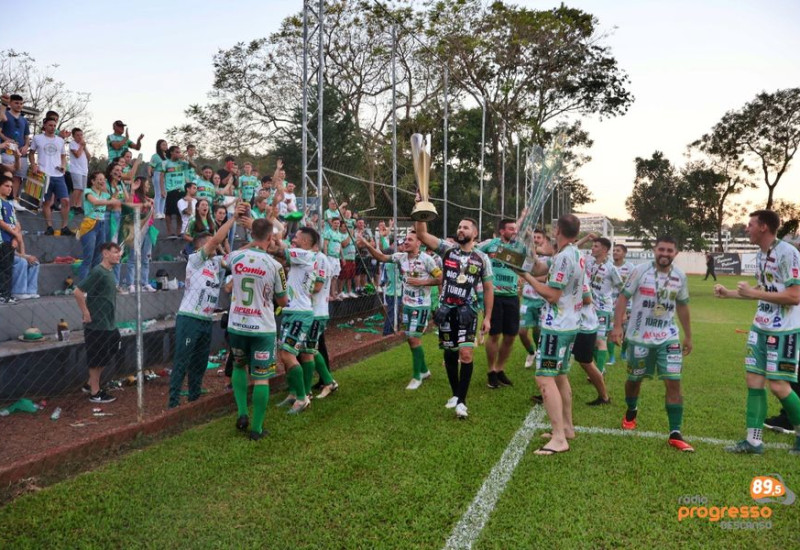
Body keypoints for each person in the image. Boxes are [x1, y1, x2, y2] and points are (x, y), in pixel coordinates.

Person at [714, 210, 800, 455]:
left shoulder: (788, 253)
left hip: (784, 329)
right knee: (753, 381)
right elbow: (763, 288)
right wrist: (729, 293)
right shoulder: (761, 254)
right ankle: (753, 441)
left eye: (750, 224)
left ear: (763, 227)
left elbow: (794, 297)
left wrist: (754, 294)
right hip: (759, 327)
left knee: (779, 386)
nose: (747, 228)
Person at [610, 235, 694, 453]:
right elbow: (623, 298)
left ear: (676, 253)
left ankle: (675, 432)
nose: (665, 254)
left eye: (669, 250)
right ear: (654, 250)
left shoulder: (680, 276)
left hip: (668, 336)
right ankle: (631, 410)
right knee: (634, 379)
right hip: (639, 336)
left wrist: (688, 335)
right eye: (661, 250)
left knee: (674, 382)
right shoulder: (640, 271)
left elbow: (682, 306)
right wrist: (617, 326)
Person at [517, 214, 583, 455]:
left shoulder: (565, 257)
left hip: (557, 326)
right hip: (569, 324)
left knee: (544, 379)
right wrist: (528, 254)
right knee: (560, 377)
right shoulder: (572, 253)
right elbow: (541, 267)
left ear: (557, 230)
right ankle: (566, 428)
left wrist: (526, 278)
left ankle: (558, 438)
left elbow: (552, 295)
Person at [415, 216, 493, 419]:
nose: (460, 230)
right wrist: (420, 212)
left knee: (466, 354)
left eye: (465, 227)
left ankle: (461, 401)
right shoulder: (447, 249)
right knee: (450, 354)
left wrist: (487, 317)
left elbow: (488, 288)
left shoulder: (482, 258)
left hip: (468, 311)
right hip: (446, 311)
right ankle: (456, 394)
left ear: (474, 233)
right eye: (459, 226)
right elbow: (422, 234)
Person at [168, 207, 242, 409]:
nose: (215, 245)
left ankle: (194, 397)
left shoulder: (215, 263)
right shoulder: (195, 260)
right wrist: (233, 218)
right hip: (190, 317)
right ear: (203, 245)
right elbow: (217, 240)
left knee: (200, 362)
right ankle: (173, 402)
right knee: (182, 360)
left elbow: (237, 255)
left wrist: (259, 241)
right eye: (211, 241)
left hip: (206, 319)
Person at [227, 217, 288, 439]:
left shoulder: (236, 256)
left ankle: (242, 412)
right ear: (271, 238)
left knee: (238, 366)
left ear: (251, 235)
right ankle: (256, 429)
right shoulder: (275, 265)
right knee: (261, 377)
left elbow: (227, 262)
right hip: (262, 328)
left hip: (237, 325)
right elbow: (283, 301)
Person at [359, 230, 443, 389]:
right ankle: (424, 370)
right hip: (407, 305)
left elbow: (440, 278)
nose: (406, 242)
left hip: (421, 306)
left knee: (413, 338)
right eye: (405, 239)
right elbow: (382, 257)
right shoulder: (400, 257)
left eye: (410, 239)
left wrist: (422, 282)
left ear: (419, 243)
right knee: (411, 339)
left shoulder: (427, 260)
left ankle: (417, 377)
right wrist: (368, 245)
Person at [274, 227, 324, 414]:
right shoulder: (303, 257)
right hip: (294, 310)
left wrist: (259, 228)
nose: (292, 239)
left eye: (295, 237)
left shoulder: (304, 254)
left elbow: (277, 251)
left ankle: (302, 397)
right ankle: (296, 393)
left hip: (300, 313)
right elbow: (281, 255)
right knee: (297, 353)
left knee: (287, 354)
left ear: (304, 241)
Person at [478, 219, 526, 389]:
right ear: (501, 231)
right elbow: (474, 254)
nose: (514, 231)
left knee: (511, 335)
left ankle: (500, 369)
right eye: (511, 229)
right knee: (494, 335)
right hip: (494, 296)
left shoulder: (520, 247)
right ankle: (491, 371)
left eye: (515, 229)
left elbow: (534, 257)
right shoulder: (490, 245)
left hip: (512, 296)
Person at [74, 242, 123, 403]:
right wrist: (86, 312)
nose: (119, 255)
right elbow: (78, 291)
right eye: (115, 252)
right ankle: (95, 393)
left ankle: (90, 384)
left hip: (109, 323)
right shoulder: (98, 272)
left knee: (111, 349)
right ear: (105, 253)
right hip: (97, 324)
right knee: (96, 359)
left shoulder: (109, 272)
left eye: (119, 252)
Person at [585, 237, 623, 378]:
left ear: (605, 250)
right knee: (590, 342)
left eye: (596, 246)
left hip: (603, 309)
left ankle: (598, 373)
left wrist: (621, 310)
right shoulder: (589, 263)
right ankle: (600, 367)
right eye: (592, 245)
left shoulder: (611, 268)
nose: (592, 248)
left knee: (600, 340)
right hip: (588, 308)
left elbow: (622, 289)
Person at [29, 118, 72, 236]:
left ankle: (64, 227)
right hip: (44, 174)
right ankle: (49, 226)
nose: (53, 127)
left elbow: (63, 156)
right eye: (50, 125)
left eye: (54, 125)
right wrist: (33, 165)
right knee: (47, 202)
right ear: (45, 126)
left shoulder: (60, 140)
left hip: (58, 175)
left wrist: (63, 166)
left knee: (66, 200)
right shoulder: (37, 138)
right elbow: (31, 153)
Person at [307, 246, 339, 399]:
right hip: (311, 311)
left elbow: (318, 287)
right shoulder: (311, 258)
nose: (294, 244)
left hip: (316, 312)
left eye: (297, 240)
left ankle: (326, 381)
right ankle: (323, 380)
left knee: (311, 348)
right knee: (314, 347)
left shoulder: (319, 259)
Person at [518, 228, 553, 369]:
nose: (536, 239)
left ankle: (540, 352)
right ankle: (531, 352)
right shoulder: (526, 256)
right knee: (521, 331)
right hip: (527, 299)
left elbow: (547, 278)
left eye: (539, 237)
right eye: (534, 237)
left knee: (538, 330)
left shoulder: (549, 258)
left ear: (544, 239)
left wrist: (529, 278)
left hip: (542, 300)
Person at [79, 172, 120, 282]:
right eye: (100, 179)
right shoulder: (88, 192)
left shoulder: (104, 195)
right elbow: (96, 202)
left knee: (98, 257)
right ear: (92, 181)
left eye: (104, 179)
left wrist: (116, 191)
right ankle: (83, 286)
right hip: (90, 225)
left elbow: (111, 202)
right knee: (88, 257)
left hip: (101, 225)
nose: (103, 181)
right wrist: (111, 199)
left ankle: (94, 284)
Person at [123, 177, 157, 292]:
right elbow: (129, 206)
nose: (148, 187)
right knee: (133, 257)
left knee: (146, 257)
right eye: (146, 184)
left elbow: (153, 215)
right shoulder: (135, 197)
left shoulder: (148, 198)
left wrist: (152, 205)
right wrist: (132, 191)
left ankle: (145, 282)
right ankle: (130, 283)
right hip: (136, 229)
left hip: (148, 229)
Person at [0, 94, 31, 209]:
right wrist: (7, 140)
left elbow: (27, 136)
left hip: (21, 153)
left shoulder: (24, 120)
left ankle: (13, 200)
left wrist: (26, 146)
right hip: (7, 151)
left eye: (21, 103)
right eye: (16, 103)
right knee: (7, 175)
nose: (19, 105)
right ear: (10, 103)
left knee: (18, 177)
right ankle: (5, 199)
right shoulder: (4, 115)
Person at [607, 243, 635, 365]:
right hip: (610, 303)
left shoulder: (630, 267)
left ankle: (623, 352)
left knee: (627, 332)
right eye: (614, 250)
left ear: (624, 253)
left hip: (627, 304)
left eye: (618, 250)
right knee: (611, 330)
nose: (615, 252)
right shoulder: (608, 266)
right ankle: (611, 357)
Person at [164, 146, 191, 238]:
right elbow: (160, 177)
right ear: (171, 152)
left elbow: (193, 166)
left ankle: (179, 231)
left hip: (182, 190)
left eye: (179, 152)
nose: (179, 154)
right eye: (177, 152)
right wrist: (162, 190)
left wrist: (185, 158)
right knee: (169, 212)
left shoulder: (182, 163)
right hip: (170, 190)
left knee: (181, 211)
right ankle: (169, 232)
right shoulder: (165, 163)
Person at [0, 175, 19, 304]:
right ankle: (2, 294)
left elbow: (16, 223)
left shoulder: (10, 203)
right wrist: (15, 234)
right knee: (3, 268)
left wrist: (15, 237)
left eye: (11, 187)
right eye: (6, 186)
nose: (9, 189)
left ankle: (7, 293)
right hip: (2, 239)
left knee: (8, 268)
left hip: (10, 239)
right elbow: (1, 222)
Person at [68, 128, 90, 215]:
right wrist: (81, 146)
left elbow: (89, 157)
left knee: (82, 189)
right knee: (77, 188)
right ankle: (72, 205)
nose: (80, 137)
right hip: (76, 169)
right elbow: (77, 155)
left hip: (84, 169)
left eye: (81, 135)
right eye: (77, 135)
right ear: (73, 136)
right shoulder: (72, 144)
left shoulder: (83, 145)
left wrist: (85, 147)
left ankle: (78, 206)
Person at [149, 139, 168, 219]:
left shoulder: (167, 156)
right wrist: (150, 174)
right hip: (157, 174)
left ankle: (162, 212)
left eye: (166, 144)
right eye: (163, 144)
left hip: (166, 176)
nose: (165, 146)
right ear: (159, 146)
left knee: (165, 194)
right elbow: (150, 166)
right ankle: (157, 212)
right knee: (159, 193)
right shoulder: (155, 156)